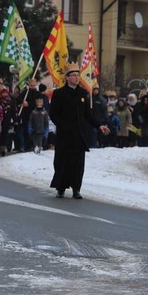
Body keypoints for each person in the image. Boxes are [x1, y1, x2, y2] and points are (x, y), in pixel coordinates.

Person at [48, 63, 109, 199]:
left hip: (79, 134)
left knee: (78, 163)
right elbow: (53, 113)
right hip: (64, 134)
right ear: (67, 77)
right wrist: (62, 125)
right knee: (62, 161)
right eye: (74, 75)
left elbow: (88, 115)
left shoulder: (83, 94)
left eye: (77, 75)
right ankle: (61, 188)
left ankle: (76, 189)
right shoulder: (59, 94)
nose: (76, 78)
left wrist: (99, 125)